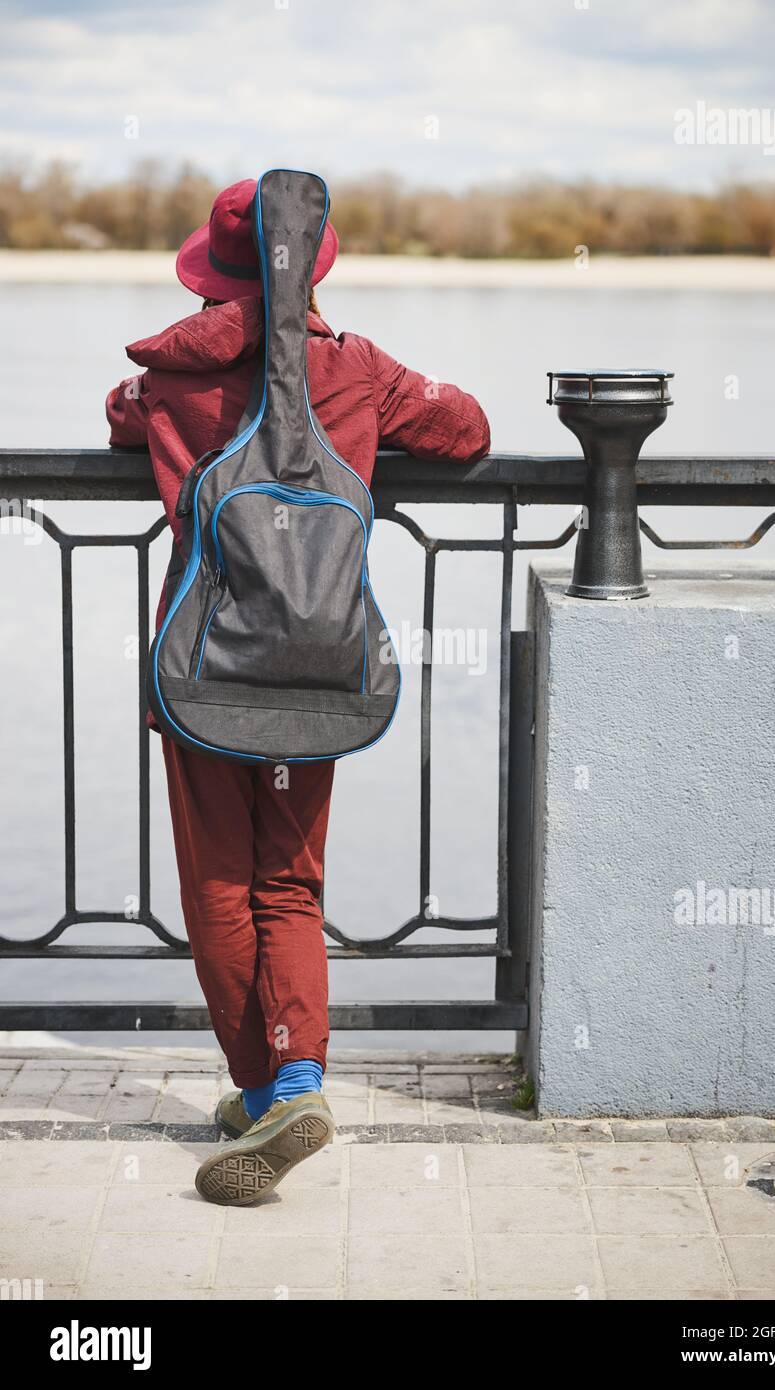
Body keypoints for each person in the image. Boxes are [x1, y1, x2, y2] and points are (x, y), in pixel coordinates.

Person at [105, 178, 490, 1205]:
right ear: (310, 268)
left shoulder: (167, 376)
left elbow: (118, 417)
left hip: (202, 671)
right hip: (317, 672)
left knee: (218, 888)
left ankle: (264, 1088)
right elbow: (466, 429)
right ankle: (297, 1079)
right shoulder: (358, 368)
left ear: (212, 272)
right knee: (290, 883)